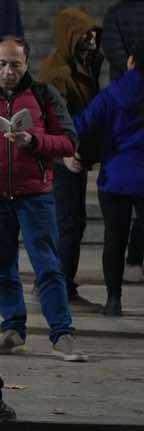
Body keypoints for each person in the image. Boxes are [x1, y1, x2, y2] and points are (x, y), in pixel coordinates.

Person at [0, 36, 82, 360]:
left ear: (27, 64)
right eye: (2, 63)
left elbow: (68, 142)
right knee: (3, 267)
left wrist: (33, 141)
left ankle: (62, 333)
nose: (8, 70)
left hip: (35, 196)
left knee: (48, 266)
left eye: (15, 64)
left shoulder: (43, 94)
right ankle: (13, 329)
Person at [75, 49, 144, 317]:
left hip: (114, 176)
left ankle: (113, 301)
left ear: (131, 61)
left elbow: (82, 125)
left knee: (114, 239)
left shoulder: (112, 93)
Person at [41, 8, 103, 304]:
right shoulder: (58, 73)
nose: (91, 39)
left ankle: (63, 283)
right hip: (62, 158)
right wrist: (65, 153)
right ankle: (56, 286)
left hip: (74, 155)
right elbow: (53, 118)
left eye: (93, 33)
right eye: (85, 34)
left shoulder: (82, 65)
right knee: (67, 222)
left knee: (72, 222)